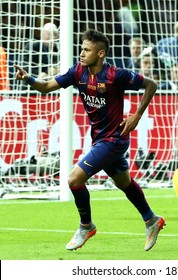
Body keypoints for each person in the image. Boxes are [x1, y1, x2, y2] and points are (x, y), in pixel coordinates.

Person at [14, 29, 165, 251]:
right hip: (100, 139)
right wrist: (29, 78)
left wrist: (137, 115)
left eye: (87, 50)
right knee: (123, 182)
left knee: (74, 180)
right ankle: (151, 219)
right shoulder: (78, 72)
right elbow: (46, 88)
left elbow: (151, 85)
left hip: (114, 139)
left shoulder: (117, 75)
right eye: (81, 49)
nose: (82, 54)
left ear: (101, 53)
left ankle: (86, 226)